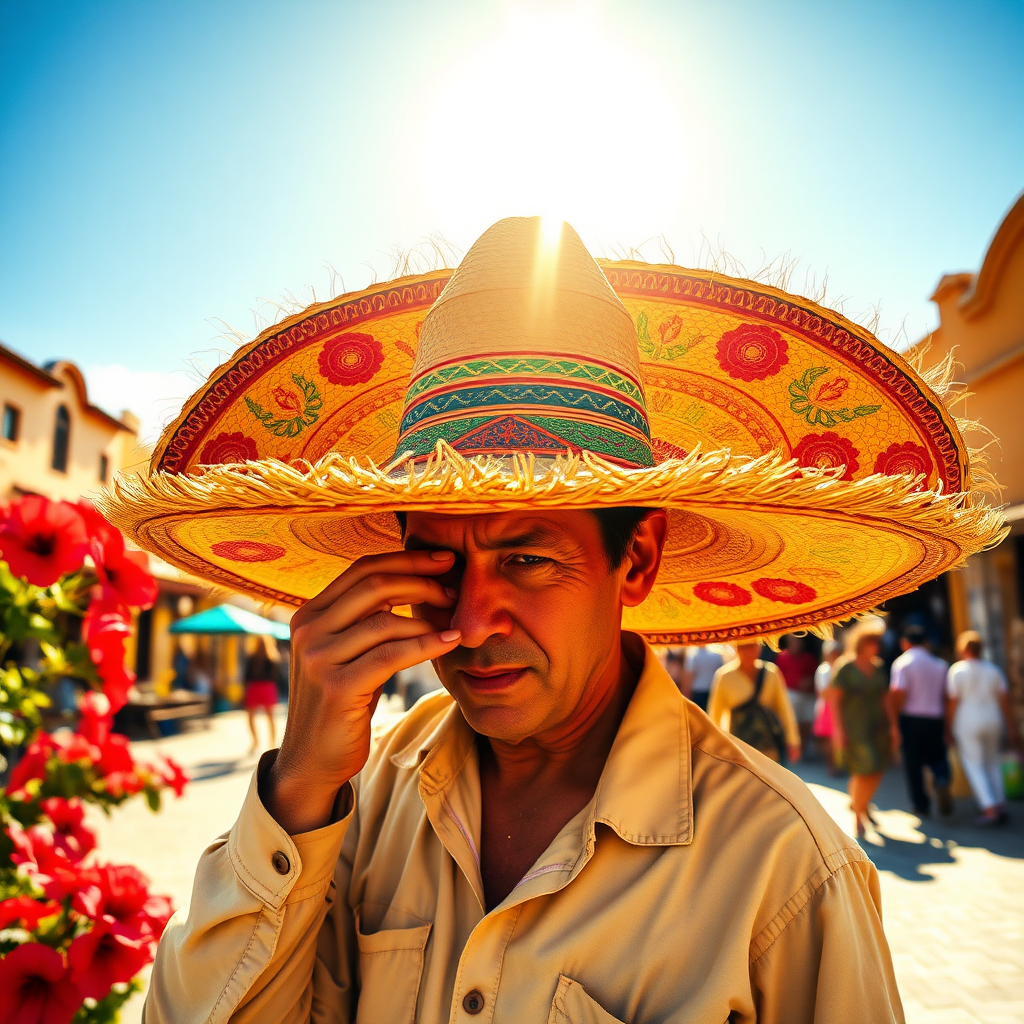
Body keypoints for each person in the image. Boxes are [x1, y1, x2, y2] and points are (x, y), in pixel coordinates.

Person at [103, 215, 1006, 1022]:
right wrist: (299, 785)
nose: (474, 618)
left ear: (636, 560)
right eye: (438, 562)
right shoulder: (360, 799)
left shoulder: (783, 869)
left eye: (527, 559)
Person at [946, 630, 1021, 825]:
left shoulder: (958, 670)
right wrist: (1011, 727)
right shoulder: (993, 670)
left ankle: (988, 808)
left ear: (963, 649)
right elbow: (1004, 700)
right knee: (992, 762)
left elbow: (953, 701)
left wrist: (948, 726)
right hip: (993, 719)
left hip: (968, 721)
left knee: (974, 764)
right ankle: (999, 803)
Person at [830, 622, 893, 837]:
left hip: (878, 727)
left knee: (877, 769)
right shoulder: (845, 667)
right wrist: (838, 730)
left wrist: (894, 726)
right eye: (871, 641)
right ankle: (858, 815)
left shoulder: (877, 667)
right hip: (855, 728)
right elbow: (835, 701)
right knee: (863, 768)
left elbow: (886, 698)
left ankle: (861, 803)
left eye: (878, 641)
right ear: (861, 643)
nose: (876, 645)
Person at [889, 625, 952, 817]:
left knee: (913, 764)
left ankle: (920, 804)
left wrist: (894, 720)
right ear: (925, 642)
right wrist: (948, 726)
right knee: (937, 756)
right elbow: (947, 697)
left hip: (912, 719)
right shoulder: (940, 664)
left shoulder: (903, 663)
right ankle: (941, 778)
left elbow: (898, 692)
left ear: (905, 643)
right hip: (935, 718)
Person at [707, 642, 801, 763]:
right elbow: (715, 715)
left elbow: (784, 709)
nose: (749, 651)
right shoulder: (724, 676)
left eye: (753, 646)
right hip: (738, 745)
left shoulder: (771, 673)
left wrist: (792, 740)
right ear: (736, 649)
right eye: (744, 647)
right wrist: (714, 746)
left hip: (768, 742)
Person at [775, 635, 818, 754]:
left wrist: (808, 682)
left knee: (807, 721)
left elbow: (814, 676)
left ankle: (803, 748)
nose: (797, 645)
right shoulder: (782, 658)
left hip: (806, 695)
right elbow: (778, 678)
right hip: (790, 694)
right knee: (792, 721)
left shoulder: (808, 658)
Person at [244, 637, 279, 755]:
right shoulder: (272, 659)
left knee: (251, 717)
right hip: (267, 688)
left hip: (254, 687)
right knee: (270, 717)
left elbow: (247, 677)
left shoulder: (252, 658)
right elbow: (275, 677)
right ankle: (272, 743)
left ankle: (256, 741)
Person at [813, 639, 842, 771]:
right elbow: (823, 692)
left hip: (838, 707)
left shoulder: (840, 668)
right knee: (830, 739)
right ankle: (831, 766)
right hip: (827, 708)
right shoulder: (824, 670)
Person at [685, 644, 725, 712]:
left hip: (698, 691)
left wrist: (687, 692)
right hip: (712, 689)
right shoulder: (717, 655)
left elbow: (689, 675)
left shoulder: (693, 656)